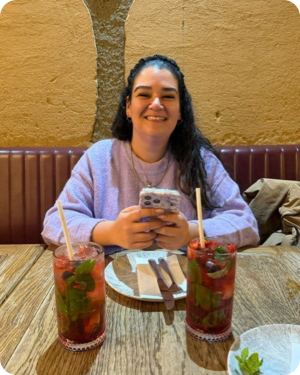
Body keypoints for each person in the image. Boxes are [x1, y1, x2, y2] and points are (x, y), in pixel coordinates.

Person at [42, 54, 259, 254]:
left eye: (167, 96)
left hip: (187, 283)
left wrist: (190, 233)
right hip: (109, 281)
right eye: (144, 94)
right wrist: (111, 232)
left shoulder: (201, 160)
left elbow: (246, 223)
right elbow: (54, 223)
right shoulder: (99, 158)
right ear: (128, 106)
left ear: (181, 110)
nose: (156, 104)